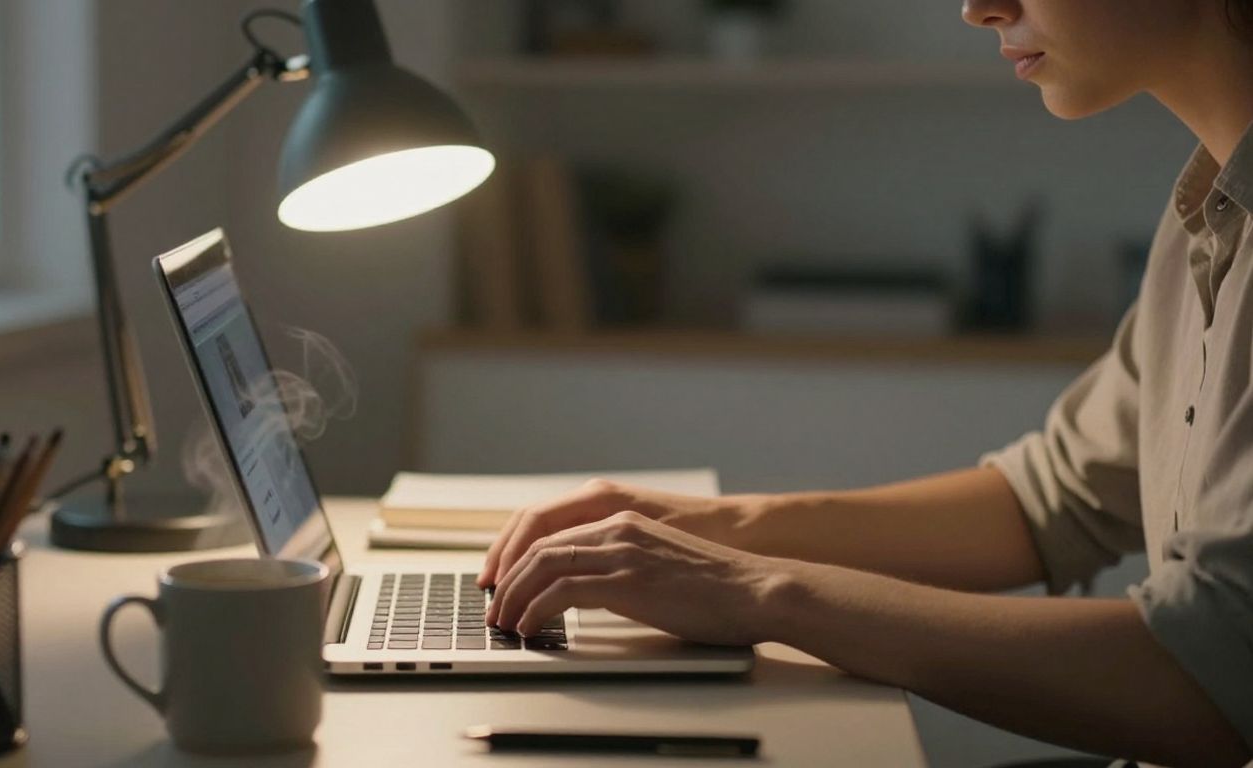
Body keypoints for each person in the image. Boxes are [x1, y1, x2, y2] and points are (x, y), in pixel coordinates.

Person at [477, 2, 1253, 766]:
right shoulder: (1208, 206)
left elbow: (1209, 675)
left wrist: (764, 593)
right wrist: (710, 529)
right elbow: (1054, 497)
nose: (978, 9)